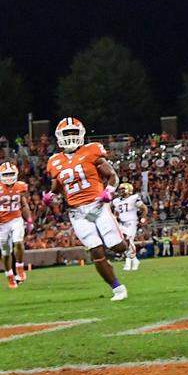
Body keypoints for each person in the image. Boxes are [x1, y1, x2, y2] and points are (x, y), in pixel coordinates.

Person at [43, 118, 128, 301]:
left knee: (118, 246)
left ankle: (129, 244)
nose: (71, 136)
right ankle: (117, 288)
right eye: (67, 133)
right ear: (59, 137)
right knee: (96, 251)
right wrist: (50, 195)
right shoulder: (54, 161)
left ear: (81, 133)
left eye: (74, 132)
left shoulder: (92, 150)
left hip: (97, 206)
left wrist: (109, 191)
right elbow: (57, 187)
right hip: (76, 212)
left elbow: (112, 176)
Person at [0, 162, 33, 288]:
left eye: (11, 174)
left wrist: (29, 220)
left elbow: (23, 204)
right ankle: (9, 275)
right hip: (1, 224)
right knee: (6, 253)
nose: (8, 177)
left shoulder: (20, 186)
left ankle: (19, 267)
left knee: (18, 241)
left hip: (16, 218)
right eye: (6, 174)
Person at [112, 182, 148, 271]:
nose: (121, 191)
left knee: (128, 240)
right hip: (121, 223)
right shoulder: (116, 201)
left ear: (129, 189)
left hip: (131, 222)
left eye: (123, 189)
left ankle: (128, 263)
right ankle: (134, 260)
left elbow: (144, 208)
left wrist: (143, 219)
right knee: (124, 242)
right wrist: (114, 218)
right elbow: (116, 213)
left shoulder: (134, 198)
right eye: (120, 189)